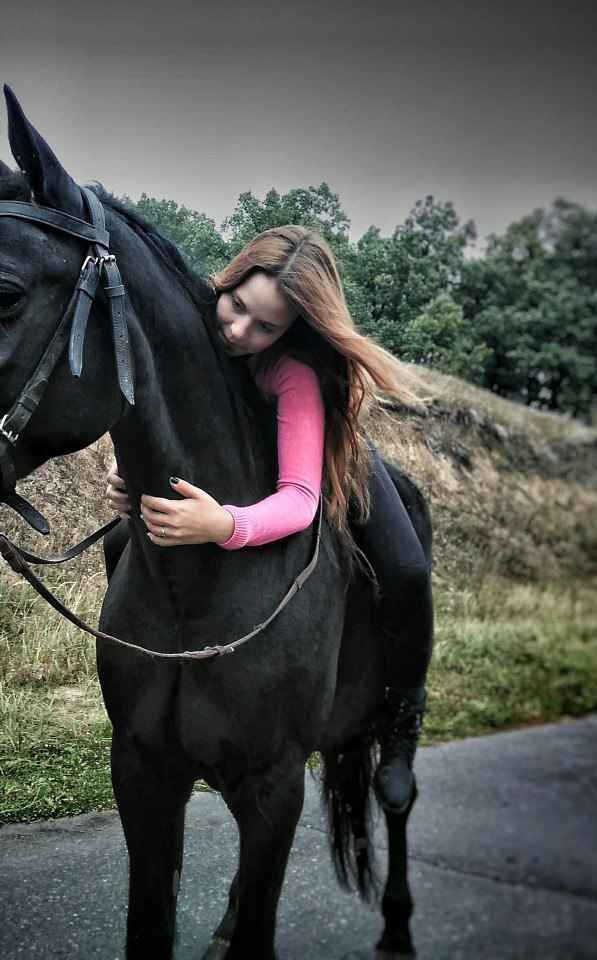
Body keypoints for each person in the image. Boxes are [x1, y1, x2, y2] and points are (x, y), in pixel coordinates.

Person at [104, 225, 433, 813]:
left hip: (327, 455)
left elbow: (301, 501)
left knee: (406, 568)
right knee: (125, 540)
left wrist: (224, 527)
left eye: (265, 328)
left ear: (290, 331)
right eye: (236, 307)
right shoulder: (194, 324)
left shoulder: (294, 373)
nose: (237, 331)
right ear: (226, 282)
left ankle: (404, 717)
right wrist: (135, 484)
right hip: (234, 476)